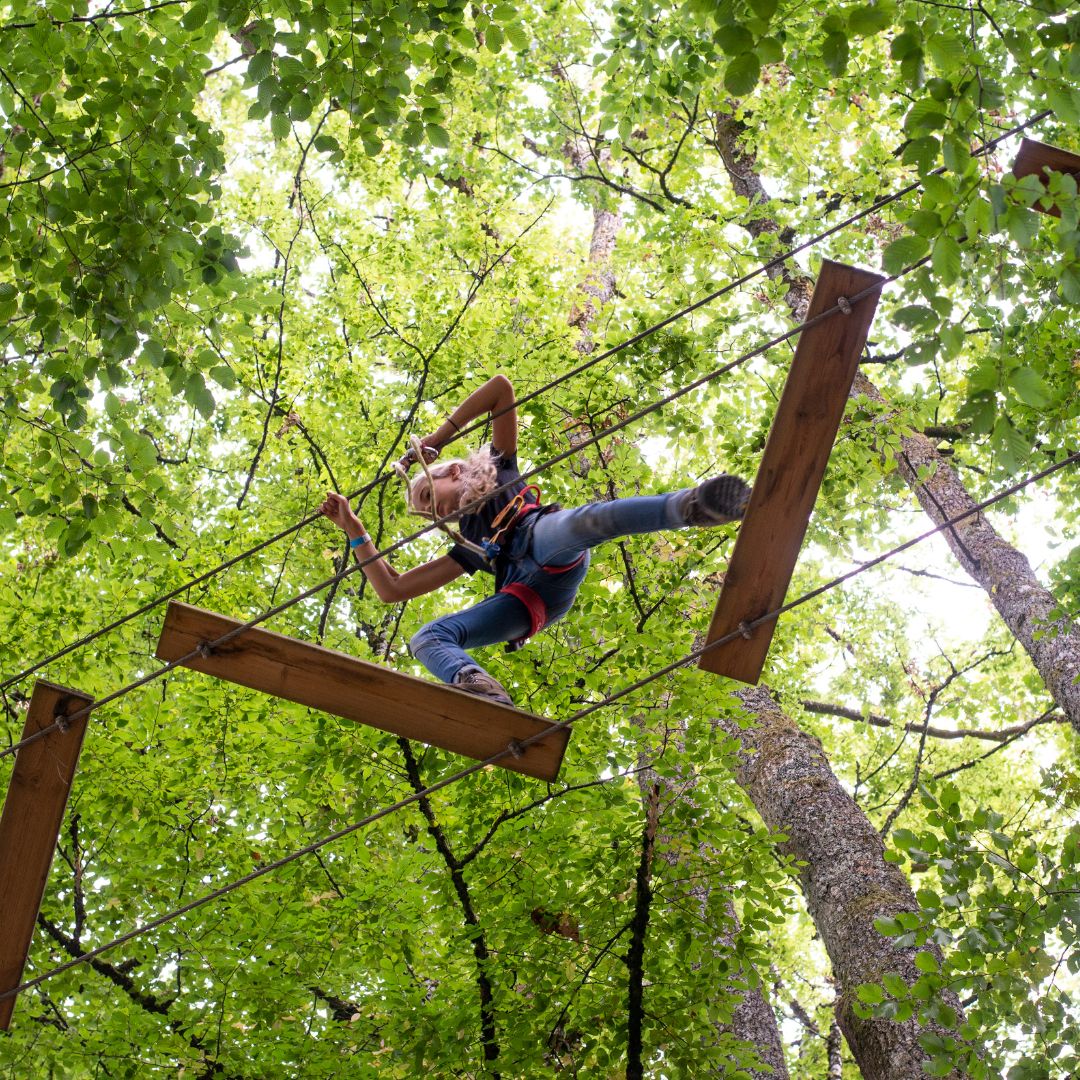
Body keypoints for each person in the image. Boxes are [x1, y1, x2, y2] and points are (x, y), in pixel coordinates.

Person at [320, 374, 750, 706]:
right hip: (528, 596)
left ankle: (692, 507)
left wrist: (434, 440)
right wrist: (356, 531)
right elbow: (392, 589)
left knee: (585, 523)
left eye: (430, 496)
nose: (435, 512)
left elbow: (500, 390)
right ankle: (475, 684)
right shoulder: (466, 546)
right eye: (427, 511)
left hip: (545, 541)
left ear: (452, 472)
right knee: (425, 638)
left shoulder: (500, 468)